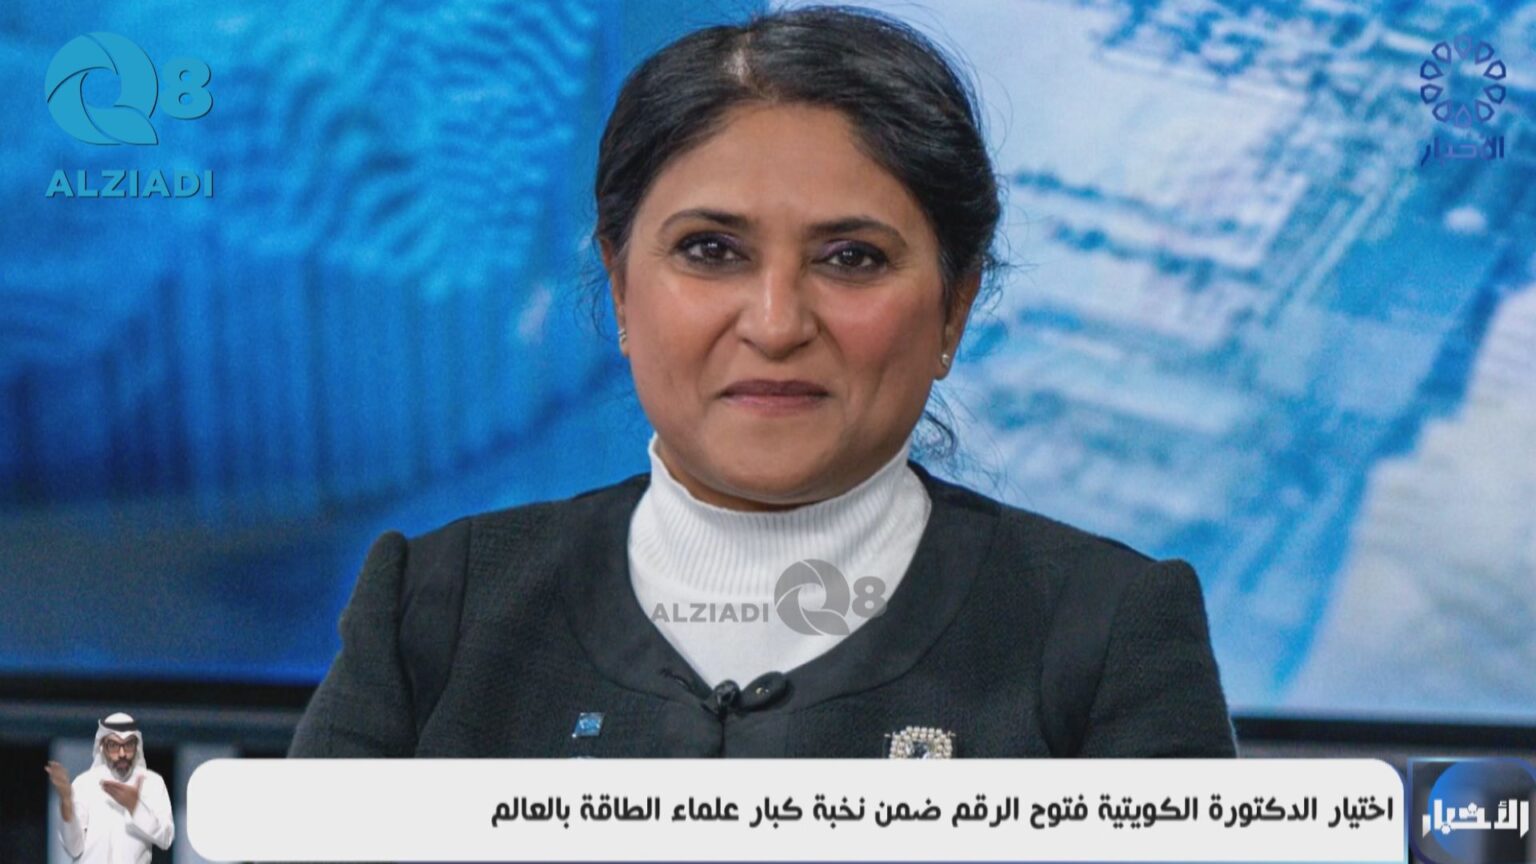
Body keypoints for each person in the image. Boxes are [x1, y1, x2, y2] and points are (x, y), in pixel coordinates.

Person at [289, 5, 1235, 759]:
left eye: (853, 258)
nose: (777, 324)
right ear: (620, 289)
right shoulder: (436, 608)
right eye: (711, 251)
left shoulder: (1107, 633)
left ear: (953, 308)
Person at [45, 713, 175, 863]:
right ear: (102, 747)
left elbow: (166, 838)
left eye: (128, 745)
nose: (122, 754)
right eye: (114, 746)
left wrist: (135, 807)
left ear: (136, 745)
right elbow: (73, 848)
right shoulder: (84, 784)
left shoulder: (152, 783)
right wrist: (67, 802)